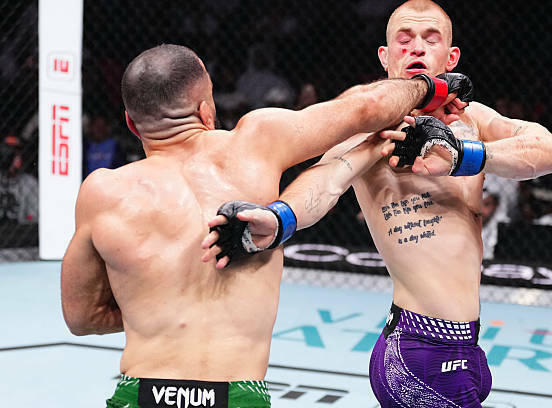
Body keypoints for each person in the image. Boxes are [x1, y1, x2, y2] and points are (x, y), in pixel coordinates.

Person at [61, 43, 472, 408]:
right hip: (237, 395)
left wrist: (152, 303)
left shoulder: (102, 192)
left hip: (142, 394)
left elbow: (81, 317)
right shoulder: (256, 142)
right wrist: (432, 87)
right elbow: (367, 107)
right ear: (207, 111)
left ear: (131, 124)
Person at [202, 1, 552, 406]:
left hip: (465, 346)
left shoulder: (472, 120)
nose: (417, 48)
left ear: (451, 58)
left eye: (430, 39)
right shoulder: (374, 132)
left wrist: (461, 155)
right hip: (418, 350)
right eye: (404, 39)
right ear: (385, 56)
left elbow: (551, 152)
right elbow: (328, 180)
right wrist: (279, 218)